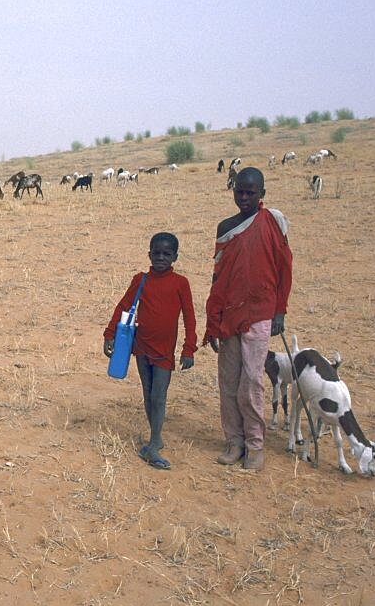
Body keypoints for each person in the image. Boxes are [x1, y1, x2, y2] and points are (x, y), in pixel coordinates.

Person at [204, 167, 293, 471]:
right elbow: (219, 278)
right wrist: (212, 321)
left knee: (252, 381)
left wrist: (279, 310)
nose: (243, 197)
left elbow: (284, 269)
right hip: (229, 314)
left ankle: (255, 444)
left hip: (259, 312)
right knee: (228, 382)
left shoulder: (272, 224)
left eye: (250, 192)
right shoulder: (225, 227)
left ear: (261, 195)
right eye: (239, 191)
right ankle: (234, 442)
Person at [104, 232, 197, 470]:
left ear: (175, 256)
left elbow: (189, 317)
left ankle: (154, 442)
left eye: (167, 254)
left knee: (159, 395)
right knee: (148, 393)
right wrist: (109, 334)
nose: (161, 258)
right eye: (156, 253)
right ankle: (155, 436)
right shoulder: (140, 280)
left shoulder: (181, 283)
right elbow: (123, 306)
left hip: (165, 351)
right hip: (142, 347)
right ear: (149, 254)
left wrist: (189, 348)